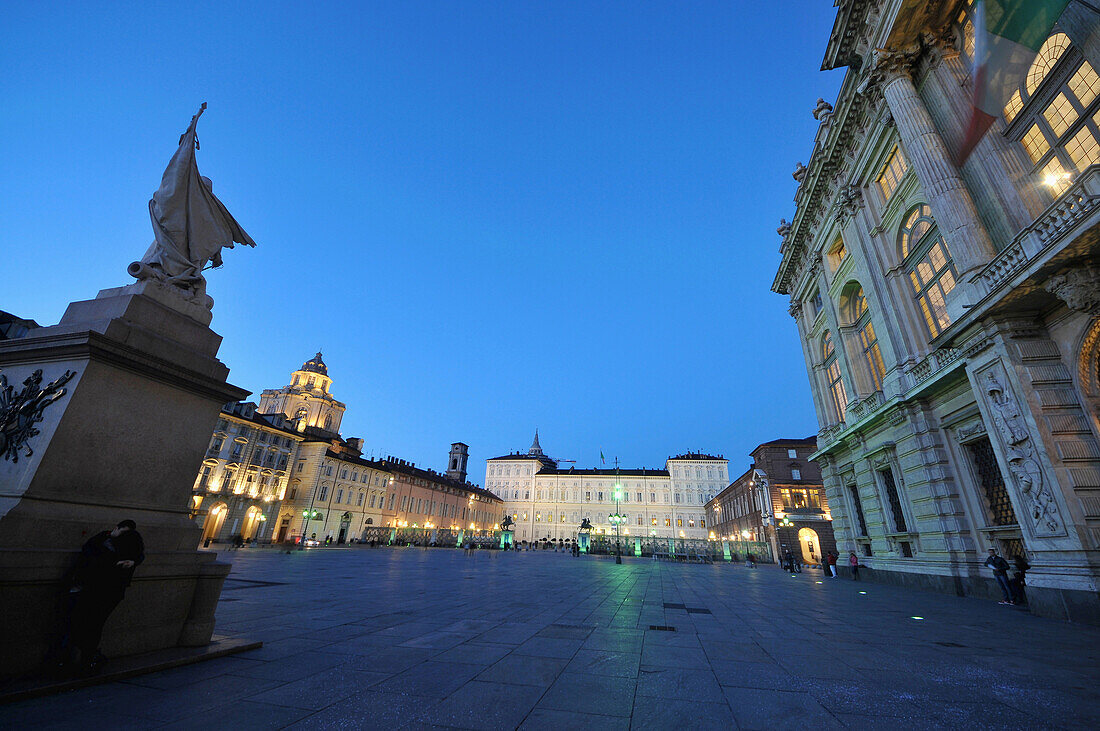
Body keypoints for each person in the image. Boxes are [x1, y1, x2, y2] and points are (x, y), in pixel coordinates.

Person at [61, 519, 145, 672]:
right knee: (87, 624)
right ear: (116, 528)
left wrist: (133, 561)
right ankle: (85, 657)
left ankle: (82, 658)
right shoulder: (104, 540)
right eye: (122, 531)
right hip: (95, 590)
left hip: (99, 592)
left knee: (87, 624)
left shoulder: (124, 546)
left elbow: (139, 554)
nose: (122, 535)